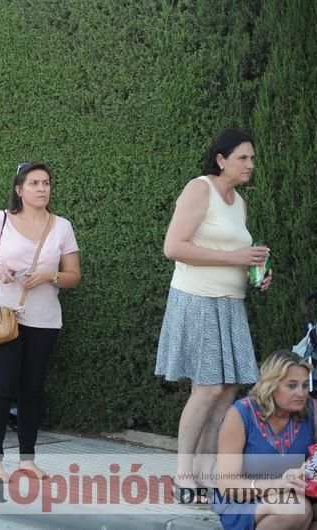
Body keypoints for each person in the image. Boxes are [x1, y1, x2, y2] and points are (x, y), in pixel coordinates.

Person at [155, 128, 273, 495]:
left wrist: (256, 275)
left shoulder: (239, 202)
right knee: (206, 390)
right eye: (242, 157)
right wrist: (233, 257)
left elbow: (236, 255)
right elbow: (173, 247)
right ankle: (183, 474)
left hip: (230, 303)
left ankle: (206, 472)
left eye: (252, 158)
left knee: (227, 391)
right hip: (197, 299)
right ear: (221, 160)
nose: (250, 164)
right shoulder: (199, 189)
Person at [0, 162, 80, 480]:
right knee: (3, 387)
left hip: (44, 318)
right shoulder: (2, 219)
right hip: (2, 313)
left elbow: (74, 276)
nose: (42, 188)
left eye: (46, 182)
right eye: (34, 183)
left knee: (32, 389)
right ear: (19, 189)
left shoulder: (62, 226)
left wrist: (51, 275)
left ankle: (27, 460)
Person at [214, 351, 317, 529]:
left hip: (298, 494)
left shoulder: (311, 409)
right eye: (292, 386)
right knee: (296, 508)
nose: (301, 392)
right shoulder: (241, 414)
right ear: (271, 385)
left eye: (304, 385)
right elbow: (227, 484)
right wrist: (277, 485)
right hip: (245, 499)